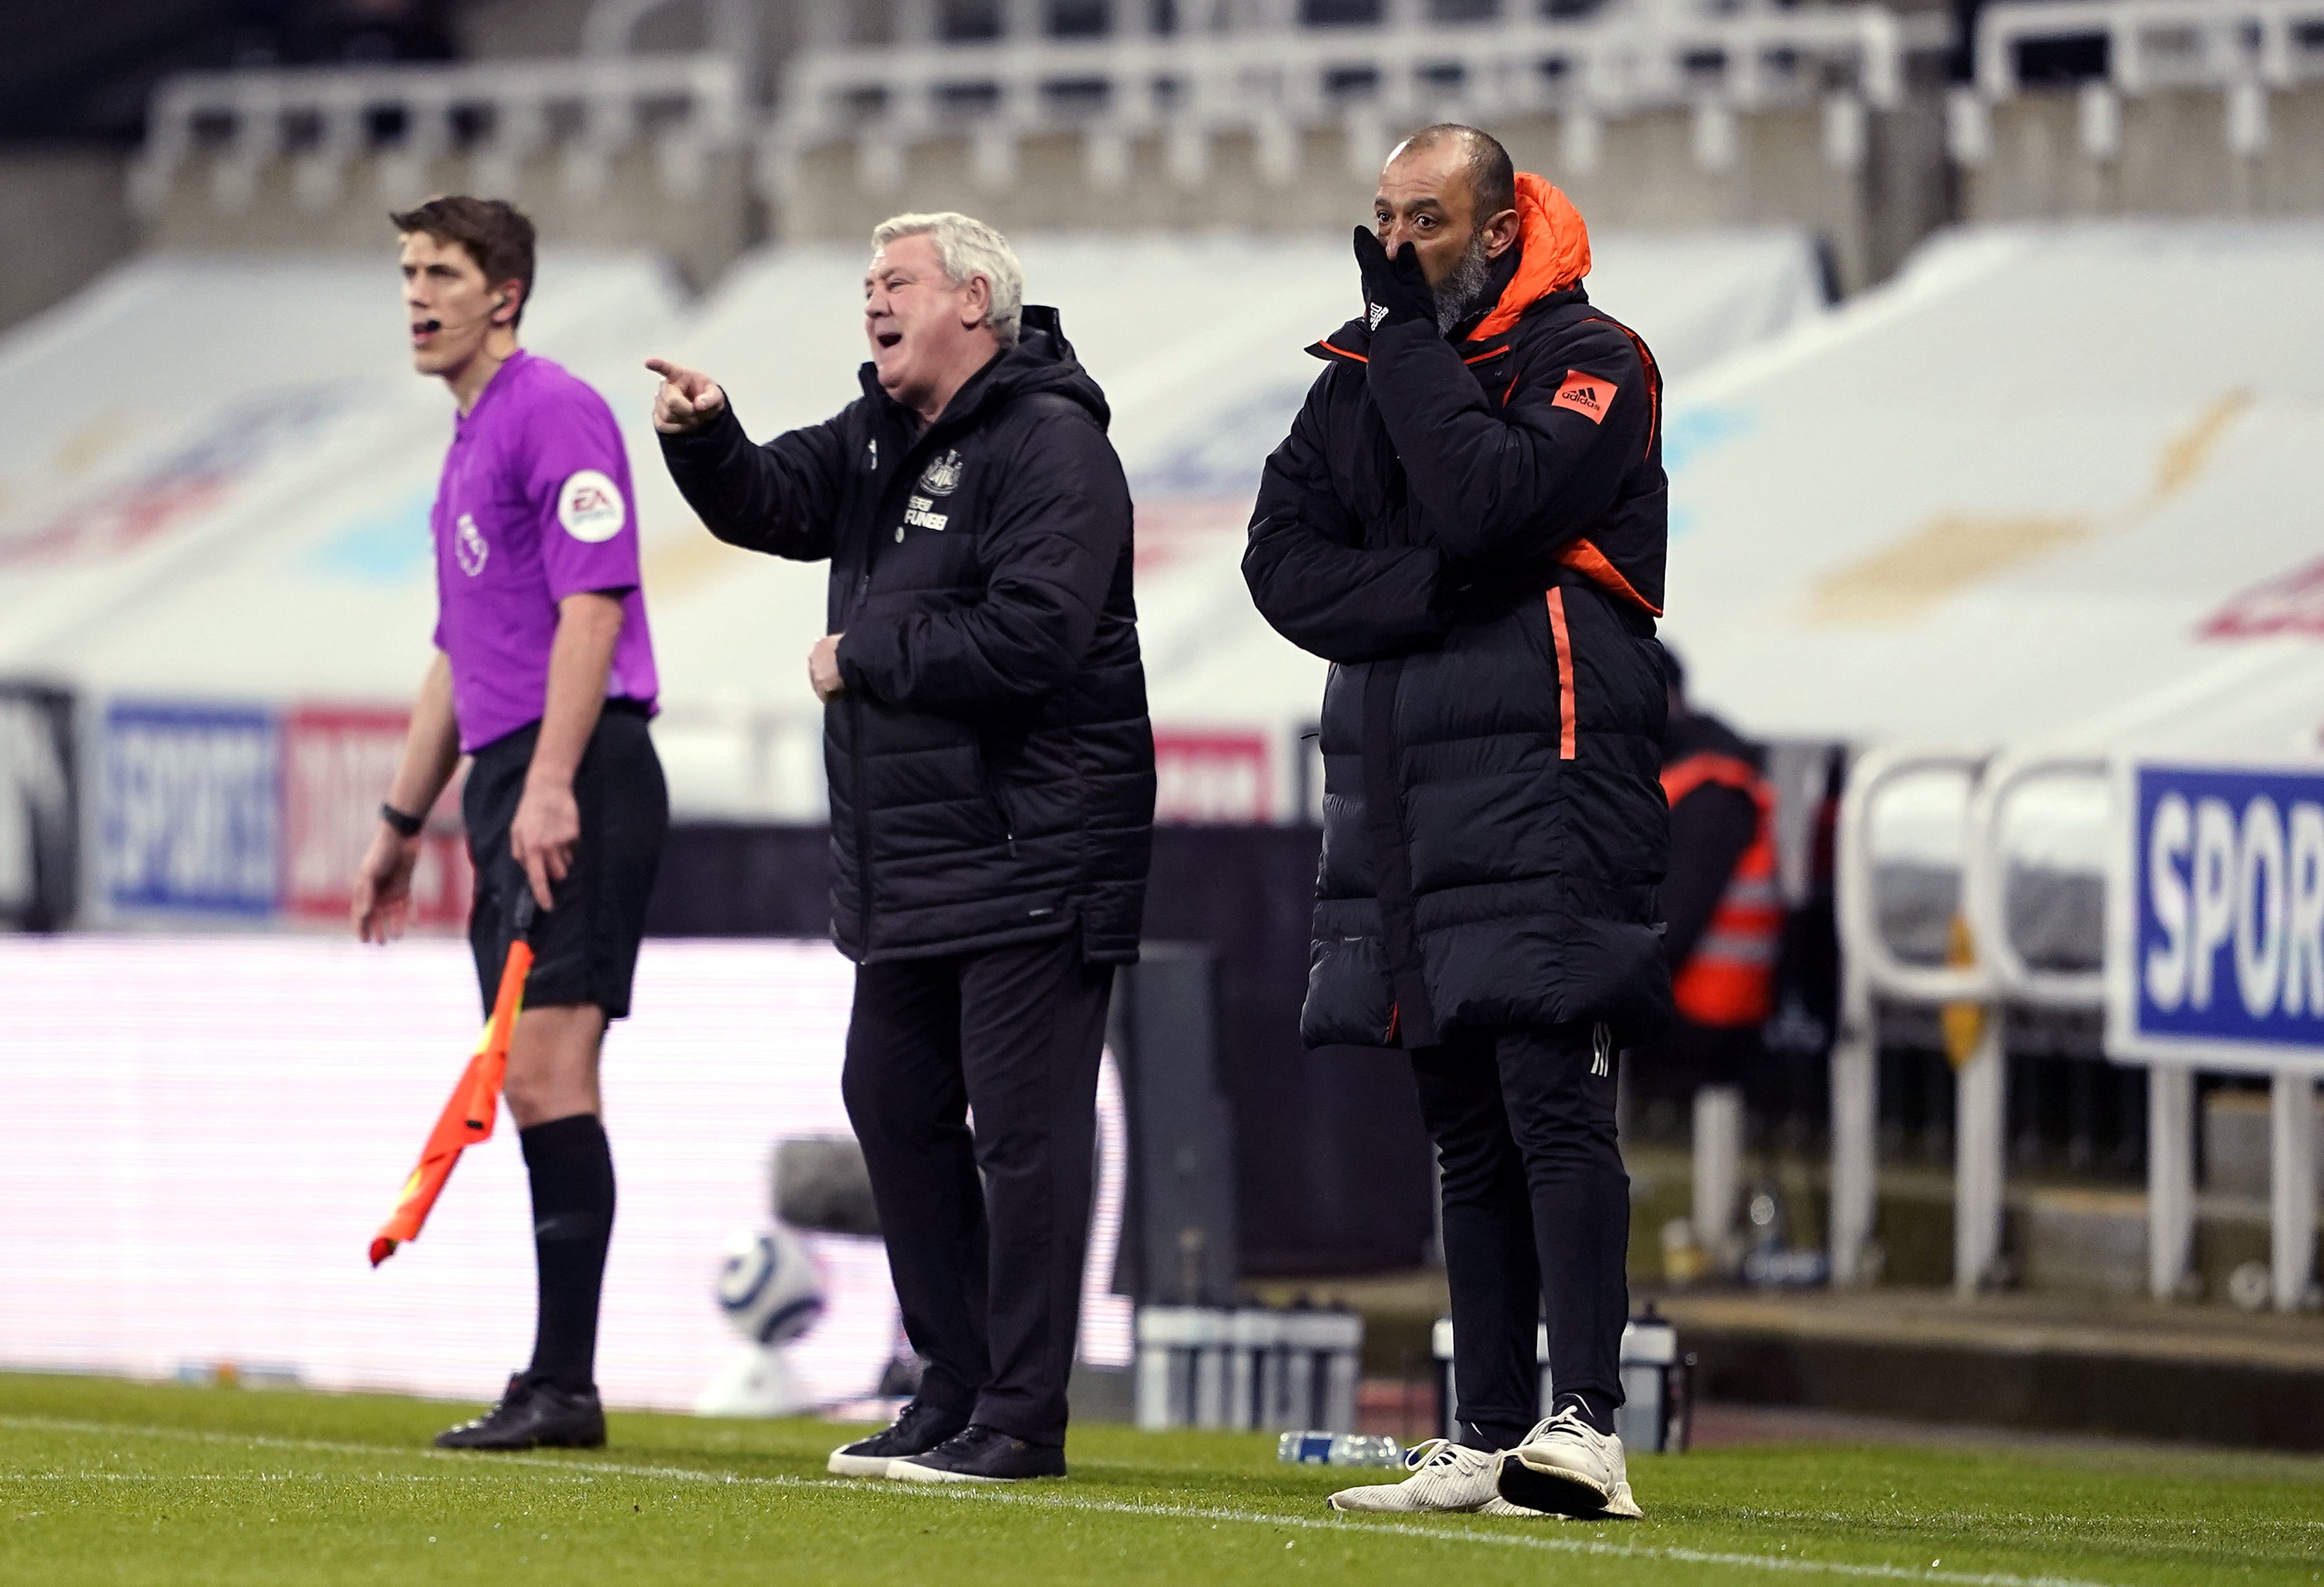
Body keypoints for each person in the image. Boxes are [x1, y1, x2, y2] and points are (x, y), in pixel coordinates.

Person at [648, 211, 1154, 1484]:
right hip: (916, 860)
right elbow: (771, 500)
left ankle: (1022, 1417)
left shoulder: (1053, 444)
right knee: (890, 1099)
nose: (870, 303)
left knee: (1024, 1137)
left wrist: (859, 653)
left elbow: (1033, 638)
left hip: (1033, 846)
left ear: (974, 303)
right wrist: (706, 440)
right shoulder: (878, 434)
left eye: (896, 283)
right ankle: (954, 1387)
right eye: (863, 285)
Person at [1243, 125, 1670, 1520]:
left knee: (1552, 1098)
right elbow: (1281, 564)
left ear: (1496, 232)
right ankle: (1485, 1431)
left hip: (1542, 776)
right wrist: (1440, 593)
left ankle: (1587, 1424)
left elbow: (1495, 495)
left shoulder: (1594, 357)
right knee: (1461, 1122)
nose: (1389, 245)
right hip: (1402, 788)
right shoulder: (1362, 373)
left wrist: (1405, 343)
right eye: (1378, 216)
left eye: (1421, 219)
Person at [351, 195, 668, 1451]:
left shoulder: (552, 410)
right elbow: (457, 649)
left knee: (546, 1071)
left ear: (506, 294)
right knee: (530, 1079)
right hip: (511, 773)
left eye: (440, 271)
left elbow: (594, 605)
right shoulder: (466, 440)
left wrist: (551, 780)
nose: (417, 294)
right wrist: (396, 819)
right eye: (407, 273)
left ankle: (564, 1385)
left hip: (572, 770)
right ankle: (553, 1379)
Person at [1643, 646, 1783, 1270]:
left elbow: (1672, 925)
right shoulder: (1690, 777)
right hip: (1687, 1007)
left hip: (1702, 1019)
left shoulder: (1711, 787)